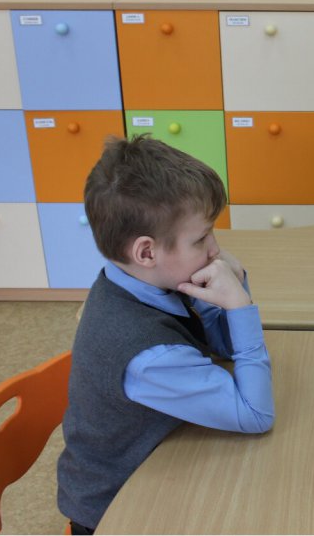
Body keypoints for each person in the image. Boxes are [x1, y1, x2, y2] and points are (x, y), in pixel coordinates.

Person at [57, 135, 275, 534]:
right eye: (201, 238)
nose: (215, 249)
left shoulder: (144, 279)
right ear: (146, 252)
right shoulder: (149, 357)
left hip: (161, 455)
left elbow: (223, 347)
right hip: (121, 508)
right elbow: (256, 414)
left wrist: (230, 289)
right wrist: (240, 308)